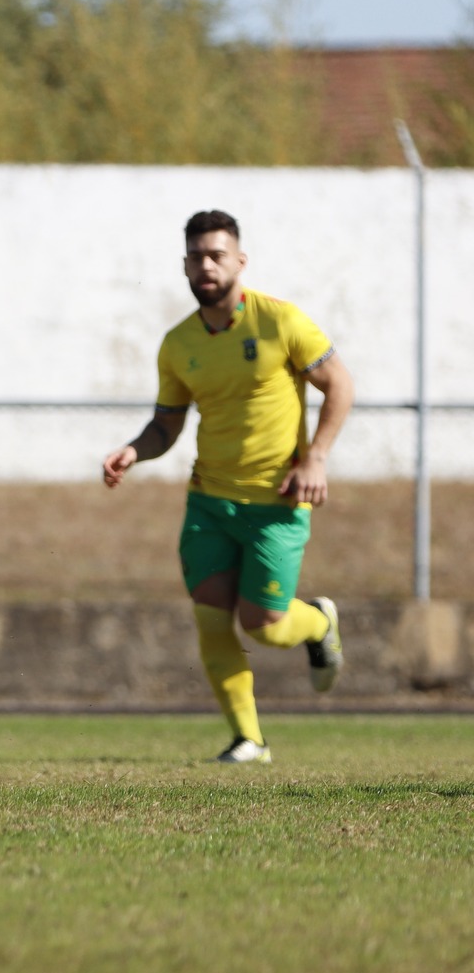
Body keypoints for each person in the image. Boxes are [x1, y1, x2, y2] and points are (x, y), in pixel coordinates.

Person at [103, 209, 350, 764]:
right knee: (212, 613)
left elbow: (339, 384)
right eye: (196, 256)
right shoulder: (178, 344)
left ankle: (317, 622)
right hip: (209, 501)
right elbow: (166, 424)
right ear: (184, 265)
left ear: (240, 260)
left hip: (278, 503)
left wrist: (316, 458)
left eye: (217, 255)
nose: (206, 265)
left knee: (263, 624)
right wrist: (133, 451)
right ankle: (249, 739)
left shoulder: (281, 322)